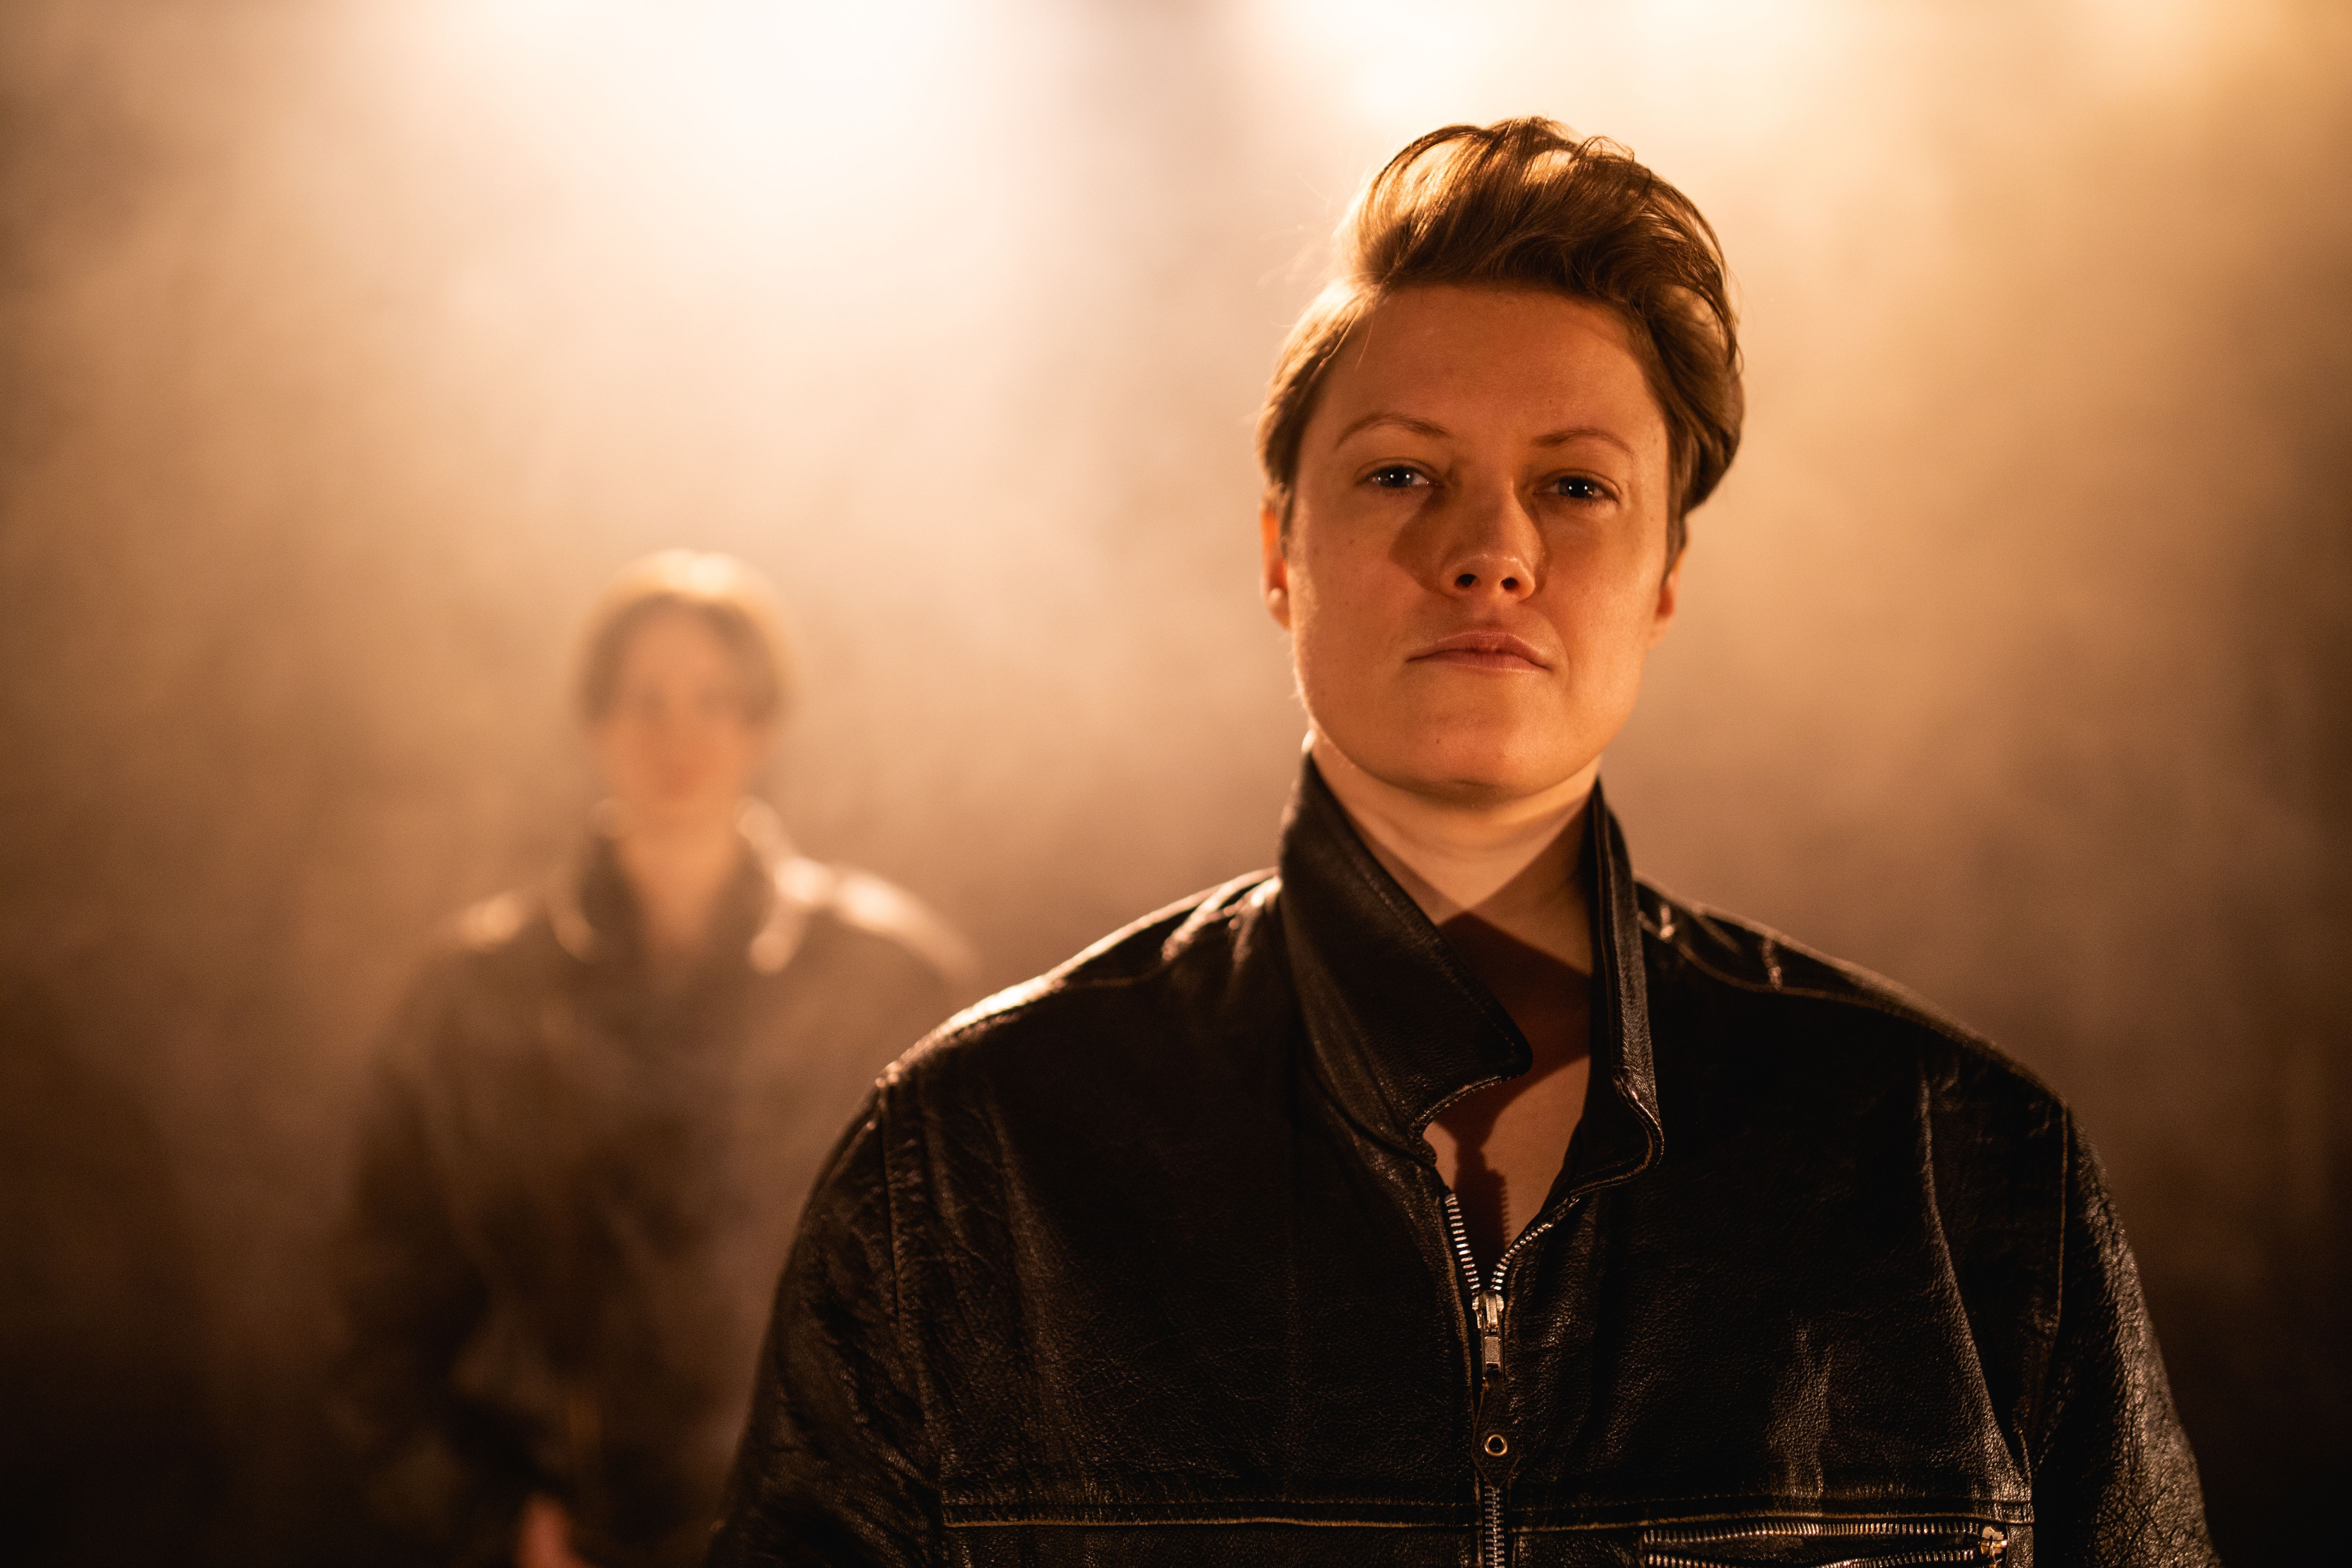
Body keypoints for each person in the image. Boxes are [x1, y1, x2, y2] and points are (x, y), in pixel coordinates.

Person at [710, 121, 2214, 1568]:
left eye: (1576, 487)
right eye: (1401, 473)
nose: (1490, 550)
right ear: (1279, 553)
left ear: (1666, 577)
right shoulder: (974, 1169)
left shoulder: (1959, 1166)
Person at [337, 552, 969, 1568]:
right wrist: (494, 1523)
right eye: (646, 701)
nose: (680, 736)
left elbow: (974, 1300)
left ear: (763, 724)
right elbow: (376, 1311)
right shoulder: (477, 999)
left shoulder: (886, 982)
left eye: (714, 700)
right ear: (595, 723)